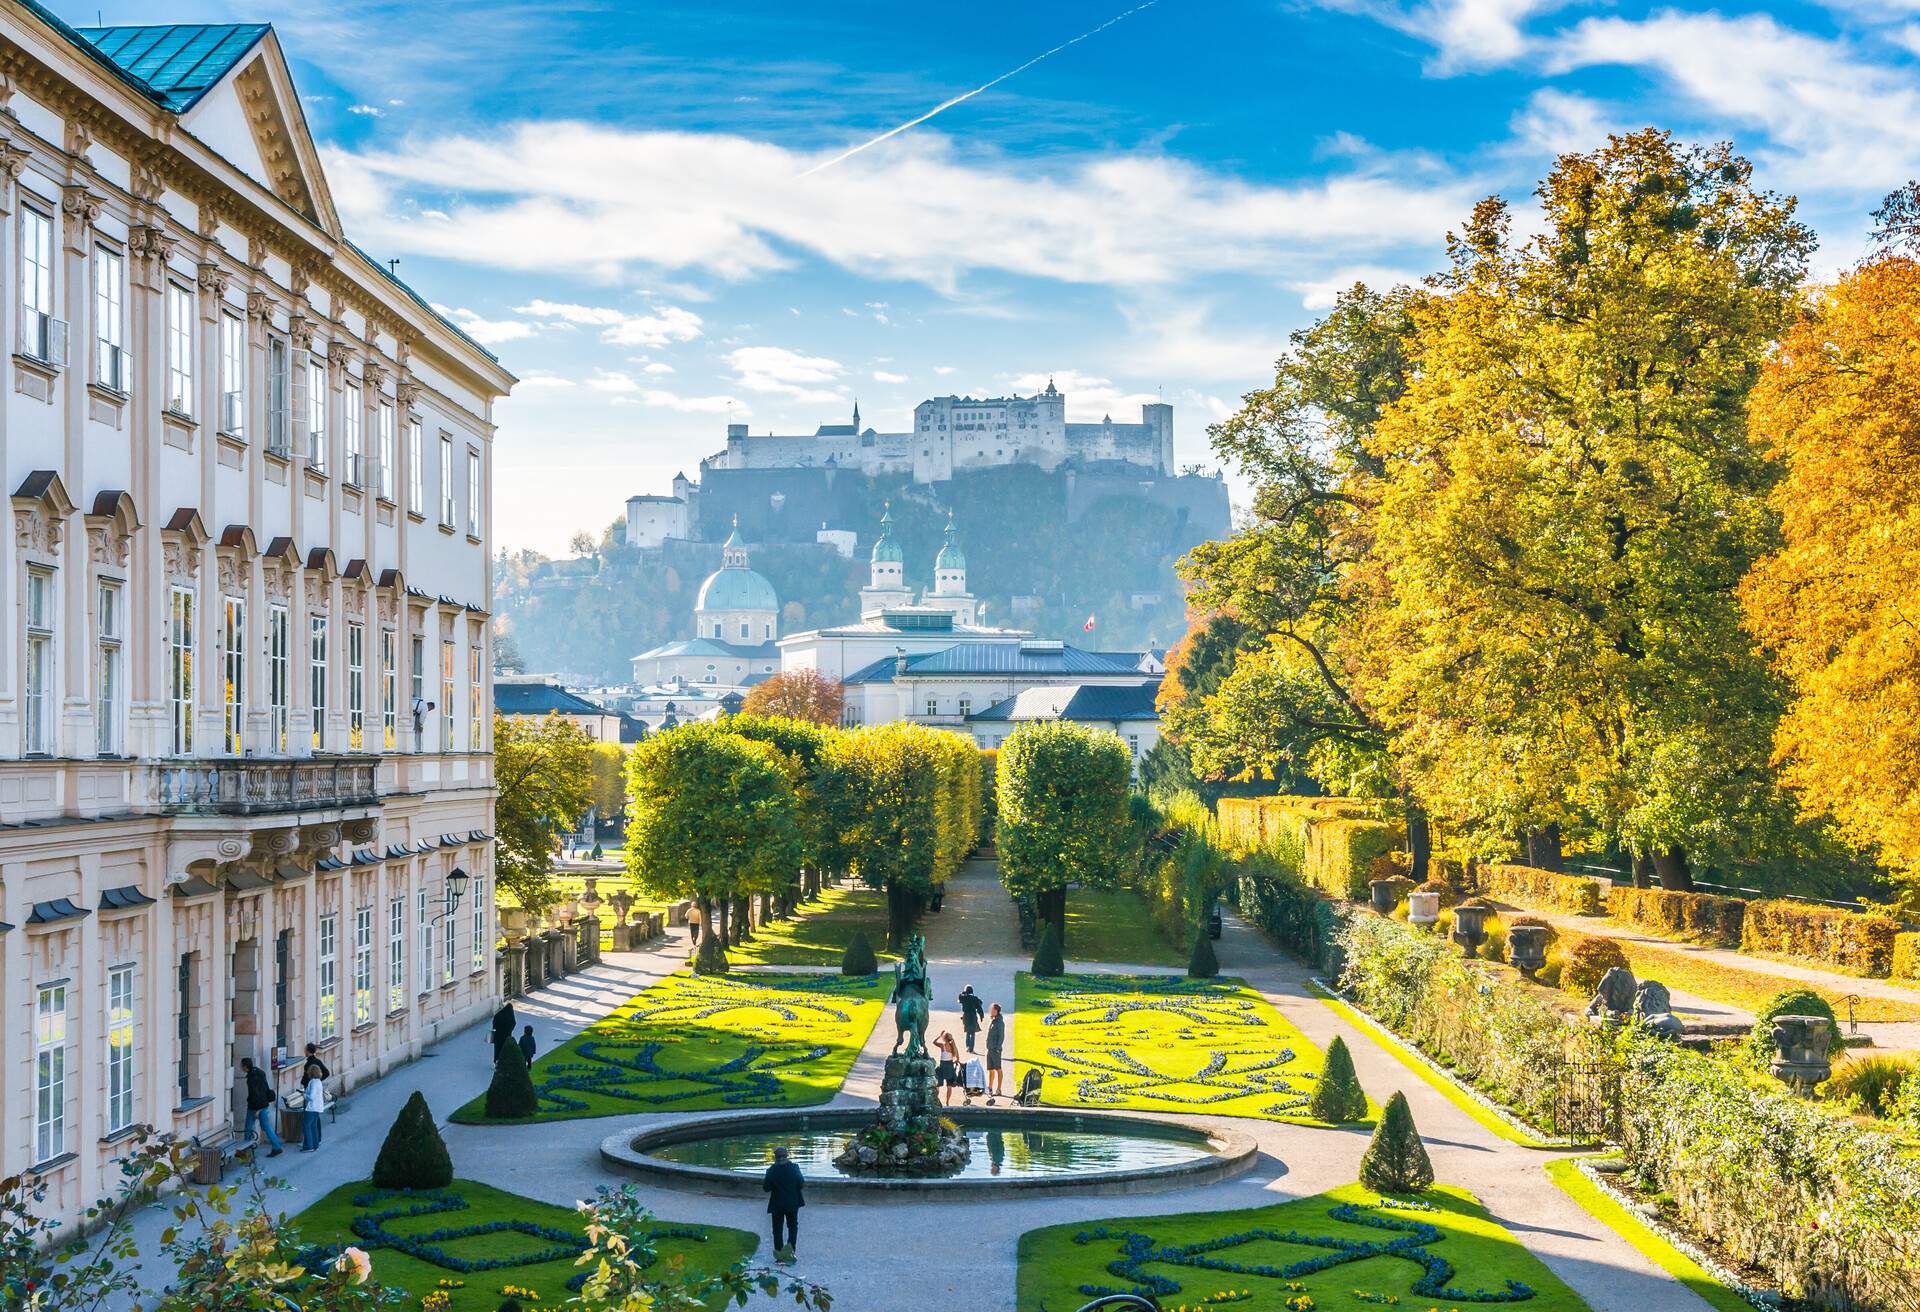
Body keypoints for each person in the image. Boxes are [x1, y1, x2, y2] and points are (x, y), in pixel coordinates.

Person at [762, 1145, 805, 1263]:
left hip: (777, 1204)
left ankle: (780, 1255)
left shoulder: (771, 1170)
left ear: (775, 1157)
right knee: (792, 1228)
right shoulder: (794, 1168)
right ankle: (790, 1252)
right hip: (792, 1203)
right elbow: (801, 1183)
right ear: (787, 1155)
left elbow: (766, 1188)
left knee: (777, 1230)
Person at [239, 1057, 284, 1158]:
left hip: (255, 1107)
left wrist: (258, 1110)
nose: (241, 1068)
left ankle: (246, 1153)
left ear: (246, 1067)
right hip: (263, 1104)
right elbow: (264, 1089)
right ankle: (277, 1147)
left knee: (248, 1129)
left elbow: (256, 1095)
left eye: (242, 1066)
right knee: (267, 1127)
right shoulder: (260, 1072)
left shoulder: (251, 1079)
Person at [301, 1067, 327, 1152]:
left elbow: (311, 1097)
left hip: (311, 1108)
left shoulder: (312, 1082)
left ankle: (309, 1146)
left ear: (310, 1073)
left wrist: (304, 1095)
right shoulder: (319, 1082)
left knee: (306, 1126)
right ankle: (315, 1145)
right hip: (317, 1108)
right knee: (313, 1126)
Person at [933, 1031, 961, 1107]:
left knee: (937, 1085)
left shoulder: (943, 1046)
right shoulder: (953, 1047)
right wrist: (953, 1062)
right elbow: (957, 1059)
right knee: (949, 1087)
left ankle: (936, 1100)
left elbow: (934, 1042)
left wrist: (940, 1036)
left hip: (942, 1067)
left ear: (945, 1039)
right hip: (950, 1067)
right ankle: (947, 1102)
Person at [985, 1002, 1006, 1101]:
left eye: (992, 1010)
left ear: (996, 1011)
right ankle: (990, 1088)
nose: (990, 1011)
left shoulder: (999, 1022)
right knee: (990, 1069)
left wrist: (998, 1048)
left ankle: (999, 1089)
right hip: (990, 1048)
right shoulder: (993, 1021)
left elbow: (1001, 1036)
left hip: (995, 1049)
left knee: (998, 1068)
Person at [958, 985, 985, 1053]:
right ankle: (971, 1048)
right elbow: (979, 1007)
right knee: (972, 1033)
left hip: (966, 1016)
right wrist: (981, 1016)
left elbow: (959, 998)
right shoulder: (975, 998)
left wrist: (963, 993)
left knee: (967, 1032)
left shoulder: (964, 998)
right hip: (973, 1016)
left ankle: (967, 1046)